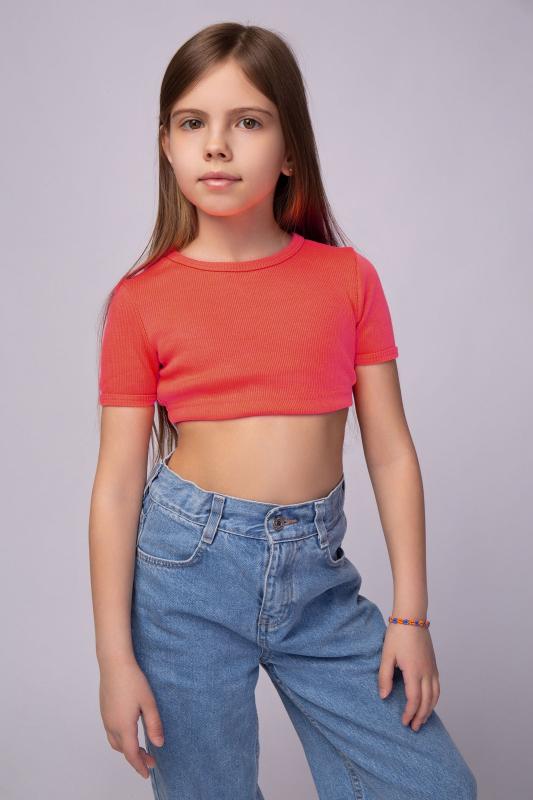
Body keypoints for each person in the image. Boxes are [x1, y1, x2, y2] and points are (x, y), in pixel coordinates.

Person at [89, 21, 477, 800]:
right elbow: (118, 486)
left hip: (315, 579)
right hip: (183, 580)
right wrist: (114, 659)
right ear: (166, 145)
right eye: (192, 123)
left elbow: (390, 453)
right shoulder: (141, 300)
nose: (216, 145)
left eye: (248, 121)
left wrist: (410, 617)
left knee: (433, 786)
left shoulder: (347, 279)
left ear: (290, 148)